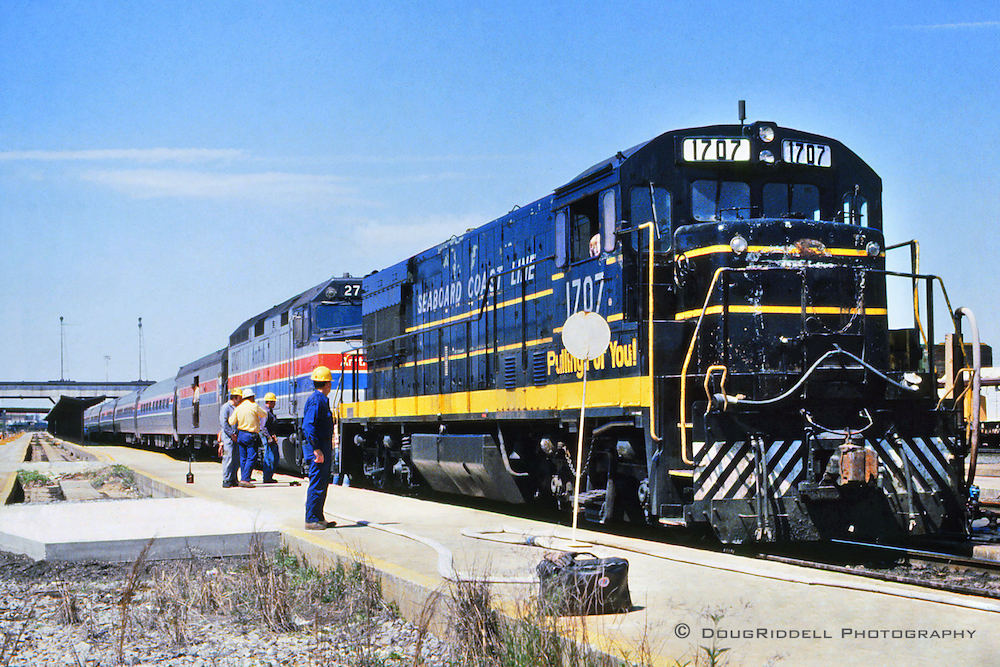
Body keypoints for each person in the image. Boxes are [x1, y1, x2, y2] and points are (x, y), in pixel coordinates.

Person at [302, 365, 337, 530]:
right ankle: (311, 519)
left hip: (322, 445)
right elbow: (308, 426)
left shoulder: (321, 400)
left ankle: (319, 516)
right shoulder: (317, 400)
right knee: (317, 483)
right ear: (327, 384)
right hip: (319, 447)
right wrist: (316, 449)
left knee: (322, 483)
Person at [228, 388, 267, 488]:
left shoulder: (238, 408)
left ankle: (243, 478)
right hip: (251, 435)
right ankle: (245, 479)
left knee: (243, 458)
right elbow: (264, 414)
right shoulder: (254, 406)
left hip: (241, 434)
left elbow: (231, 421)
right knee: (251, 457)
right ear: (251, 397)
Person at [218, 388, 242, 488]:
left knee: (236, 459)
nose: (241, 400)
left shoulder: (236, 407)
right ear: (235, 397)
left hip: (235, 437)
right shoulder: (226, 408)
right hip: (228, 438)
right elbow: (224, 423)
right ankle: (226, 480)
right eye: (240, 398)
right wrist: (231, 434)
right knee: (228, 458)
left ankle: (233, 479)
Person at [260, 392, 279, 484]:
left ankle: (268, 476)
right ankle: (267, 477)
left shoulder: (269, 411)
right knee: (269, 456)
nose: (275, 404)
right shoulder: (265, 412)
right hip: (267, 437)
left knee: (272, 456)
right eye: (274, 402)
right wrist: (269, 437)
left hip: (269, 436)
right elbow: (263, 427)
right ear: (270, 402)